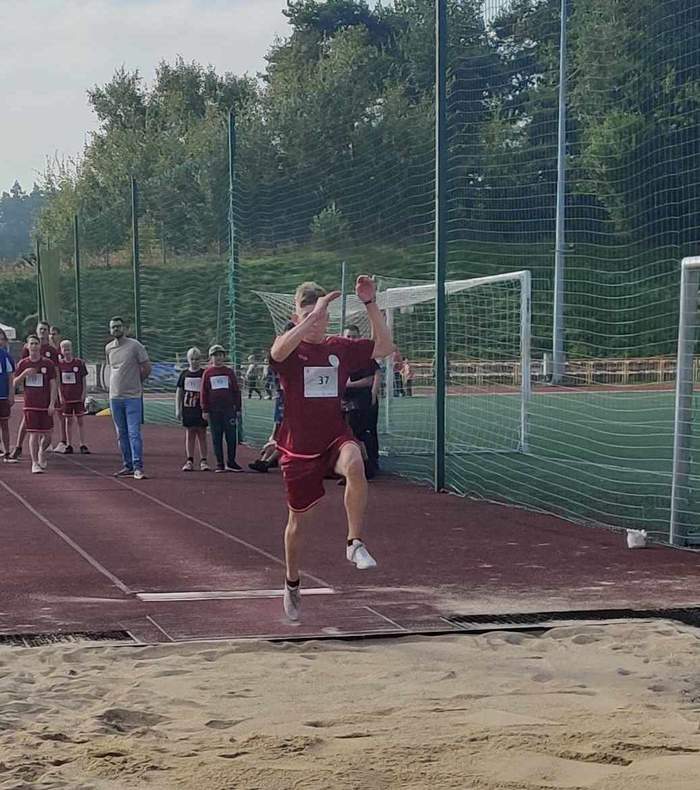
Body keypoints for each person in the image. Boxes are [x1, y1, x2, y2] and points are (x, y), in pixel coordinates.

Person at [269, 276, 393, 622]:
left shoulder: (338, 347)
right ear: (297, 317)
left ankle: (354, 543)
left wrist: (370, 303)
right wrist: (311, 314)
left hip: (334, 437)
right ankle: (292, 583)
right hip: (298, 449)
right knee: (298, 522)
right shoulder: (291, 351)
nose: (317, 321)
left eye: (322, 315)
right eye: (309, 314)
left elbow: (383, 347)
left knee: (355, 461)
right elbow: (277, 352)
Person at [105, 316, 151, 480]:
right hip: (115, 397)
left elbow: (146, 367)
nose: (116, 329)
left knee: (133, 432)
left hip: (132, 397)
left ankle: (138, 466)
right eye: (113, 327)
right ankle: (127, 465)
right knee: (121, 433)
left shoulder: (135, 346)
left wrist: (137, 382)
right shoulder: (109, 348)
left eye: (118, 326)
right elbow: (112, 369)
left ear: (124, 328)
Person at [8, 321, 60, 461]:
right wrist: (24, 374)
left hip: (46, 392)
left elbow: (55, 373)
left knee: (48, 429)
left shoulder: (52, 351)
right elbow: (17, 376)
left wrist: (55, 396)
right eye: (40, 329)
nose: (42, 332)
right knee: (27, 423)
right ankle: (19, 448)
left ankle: (45, 448)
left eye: (45, 330)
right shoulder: (27, 351)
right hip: (31, 396)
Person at [249, 323, 296, 473]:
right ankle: (266, 459)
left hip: (296, 400)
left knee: (288, 433)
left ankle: (268, 460)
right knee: (277, 430)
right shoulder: (278, 355)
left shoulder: (300, 355)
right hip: (283, 398)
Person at [340, 324, 379, 480]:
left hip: (361, 401)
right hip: (345, 400)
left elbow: (371, 379)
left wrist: (349, 385)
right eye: (348, 336)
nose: (351, 339)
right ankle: (356, 466)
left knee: (358, 433)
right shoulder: (339, 355)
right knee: (347, 433)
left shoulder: (364, 355)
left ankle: (367, 465)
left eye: (354, 336)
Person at [201, 344, 242, 473]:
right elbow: (203, 392)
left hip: (229, 410)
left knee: (231, 436)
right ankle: (220, 463)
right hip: (214, 411)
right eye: (215, 355)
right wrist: (205, 410)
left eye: (220, 355)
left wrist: (238, 408)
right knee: (216, 437)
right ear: (211, 358)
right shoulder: (207, 373)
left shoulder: (229, 372)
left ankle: (231, 461)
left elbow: (236, 390)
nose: (218, 358)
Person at [175, 347, 210, 472]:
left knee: (202, 434)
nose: (194, 361)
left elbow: (208, 392)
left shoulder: (204, 373)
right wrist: (178, 409)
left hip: (200, 409)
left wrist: (207, 410)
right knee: (190, 434)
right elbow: (179, 392)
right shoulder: (184, 374)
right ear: (188, 360)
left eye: (197, 359)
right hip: (188, 409)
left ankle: (204, 460)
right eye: (192, 359)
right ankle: (189, 460)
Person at [57, 339, 90, 454]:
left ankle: (83, 444)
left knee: (80, 420)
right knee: (68, 421)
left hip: (77, 396)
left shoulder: (79, 363)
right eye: (64, 349)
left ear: (72, 349)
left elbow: (83, 379)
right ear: (61, 351)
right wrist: (60, 395)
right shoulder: (60, 365)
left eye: (68, 349)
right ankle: (69, 444)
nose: (66, 351)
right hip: (66, 397)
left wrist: (84, 393)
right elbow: (58, 382)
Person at [0, 328, 16, 461]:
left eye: (1, 338)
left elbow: (11, 377)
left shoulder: (6, 356)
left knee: (4, 424)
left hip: (3, 395)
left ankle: (6, 451)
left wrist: (11, 393)